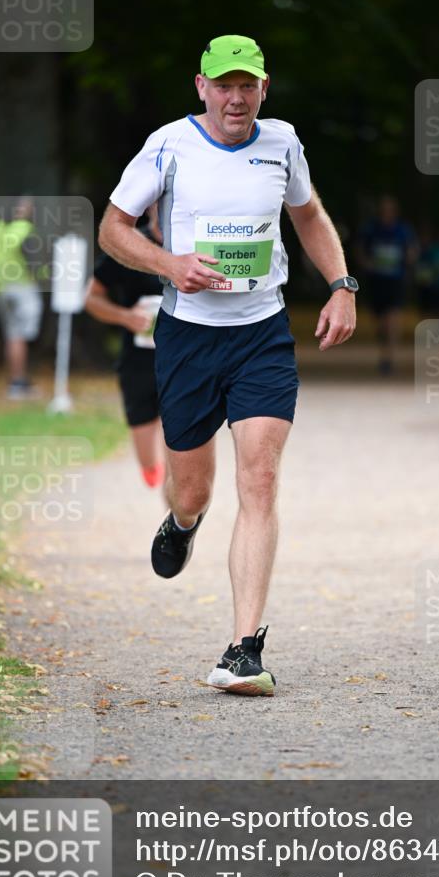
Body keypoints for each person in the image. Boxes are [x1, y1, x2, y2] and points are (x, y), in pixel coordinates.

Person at [98, 34, 357, 697]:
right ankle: (182, 522)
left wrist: (340, 285)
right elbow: (113, 229)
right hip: (186, 336)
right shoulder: (167, 146)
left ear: (263, 89)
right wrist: (169, 265)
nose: (236, 97)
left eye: (248, 85)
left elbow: (309, 215)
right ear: (202, 87)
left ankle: (244, 648)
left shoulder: (282, 143)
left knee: (261, 477)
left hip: (261, 333)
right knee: (193, 491)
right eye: (224, 85)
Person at [85, 204, 166, 492]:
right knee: (149, 460)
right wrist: (125, 317)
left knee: (181, 455)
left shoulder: (197, 245)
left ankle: (179, 518)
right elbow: (90, 299)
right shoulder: (130, 246)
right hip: (139, 364)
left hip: (184, 363)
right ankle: (153, 470)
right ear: (150, 206)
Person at [0, 195, 44, 399]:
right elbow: (34, 262)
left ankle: (16, 379)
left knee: (12, 335)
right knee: (22, 336)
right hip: (22, 288)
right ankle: (19, 383)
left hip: (1, 289)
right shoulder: (25, 230)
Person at [358, 195, 417, 374]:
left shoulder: (403, 230)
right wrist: (366, 262)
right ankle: (384, 345)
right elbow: (359, 249)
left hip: (395, 280)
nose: (387, 213)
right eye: (384, 210)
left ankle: (388, 358)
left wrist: (409, 259)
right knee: (380, 322)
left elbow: (413, 248)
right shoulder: (371, 229)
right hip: (376, 281)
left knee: (392, 318)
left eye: (390, 210)